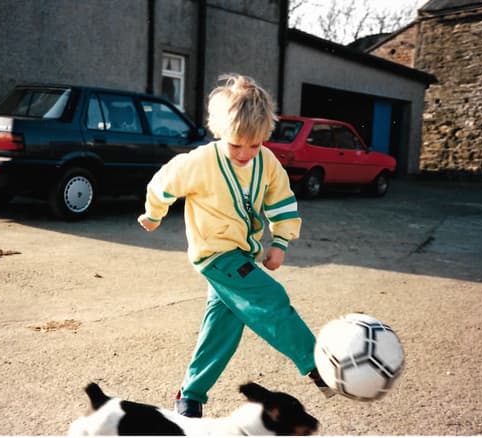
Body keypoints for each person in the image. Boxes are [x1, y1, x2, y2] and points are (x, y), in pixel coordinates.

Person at [137, 74, 334, 418]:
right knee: (269, 299)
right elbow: (164, 183)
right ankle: (315, 362)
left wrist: (281, 242)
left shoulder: (267, 163)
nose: (245, 153)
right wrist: (153, 214)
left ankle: (191, 395)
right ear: (219, 132)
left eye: (254, 145)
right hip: (213, 254)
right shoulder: (201, 162)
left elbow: (282, 202)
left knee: (222, 329)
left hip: (244, 253)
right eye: (235, 144)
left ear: (265, 137)